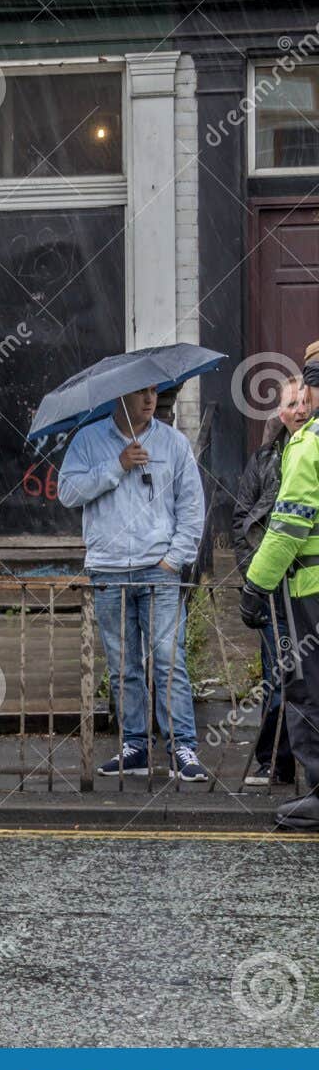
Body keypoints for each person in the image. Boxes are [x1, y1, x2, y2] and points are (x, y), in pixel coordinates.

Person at [58, 383, 206, 782]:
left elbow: (192, 505)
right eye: (139, 392)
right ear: (118, 396)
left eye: (154, 392)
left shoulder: (173, 443)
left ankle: (182, 747)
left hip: (158, 569)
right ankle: (135, 745)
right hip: (108, 569)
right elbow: (67, 492)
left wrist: (174, 559)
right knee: (123, 665)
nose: (149, 399)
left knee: (168, 661)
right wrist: (116, 466)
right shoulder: (89, 440)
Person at [241, 347, 319, 830]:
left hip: (308, 589)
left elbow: (288, 527)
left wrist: (255, 585)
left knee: (306, 690)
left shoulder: (309, 444)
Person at [232, 375, 309, 788]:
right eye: (291, 403)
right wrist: (254, 579)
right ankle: (275, 763)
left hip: (307, 586)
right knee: (279, 678)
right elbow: (241, 522)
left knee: (305, 677)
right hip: (273, 591)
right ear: (279, 411)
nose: (300, 409)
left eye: (304, 401)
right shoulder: (263, 460)